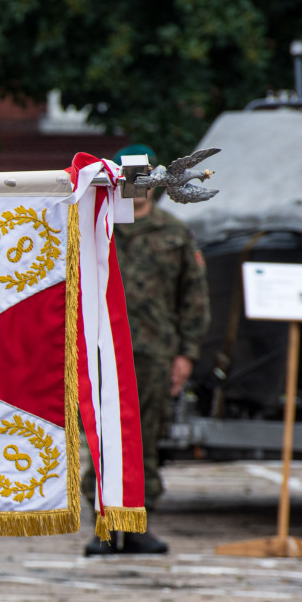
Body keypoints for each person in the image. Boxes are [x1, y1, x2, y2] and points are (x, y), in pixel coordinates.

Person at [85, 145, 210, 556]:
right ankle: (104, 528)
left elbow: (193, 298)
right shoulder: (97, 228)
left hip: (153, 354)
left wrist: (186, 353)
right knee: (104, 438)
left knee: (145, 439)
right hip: (104, 352)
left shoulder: (174, 233)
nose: (136, 187)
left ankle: (139, 524)